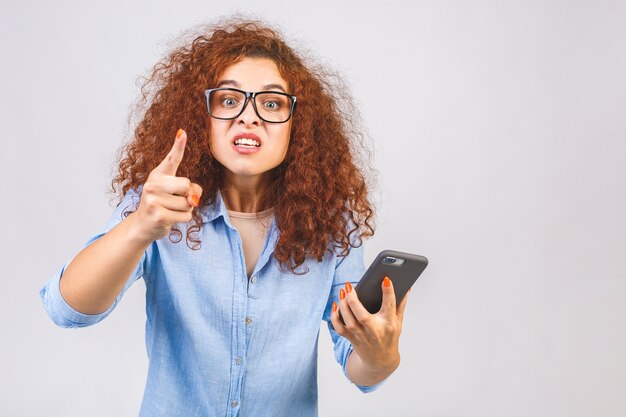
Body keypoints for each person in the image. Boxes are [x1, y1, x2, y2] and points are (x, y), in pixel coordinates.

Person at [39, 16, 411, 417]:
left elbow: (363, 370)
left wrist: (381, 352)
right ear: (203, 118)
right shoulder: (158, 202)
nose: (249, 116)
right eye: (229, 100)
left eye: (271, 103)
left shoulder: (331, 223)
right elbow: (67, 310)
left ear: (297, 127)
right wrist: (138, 228)